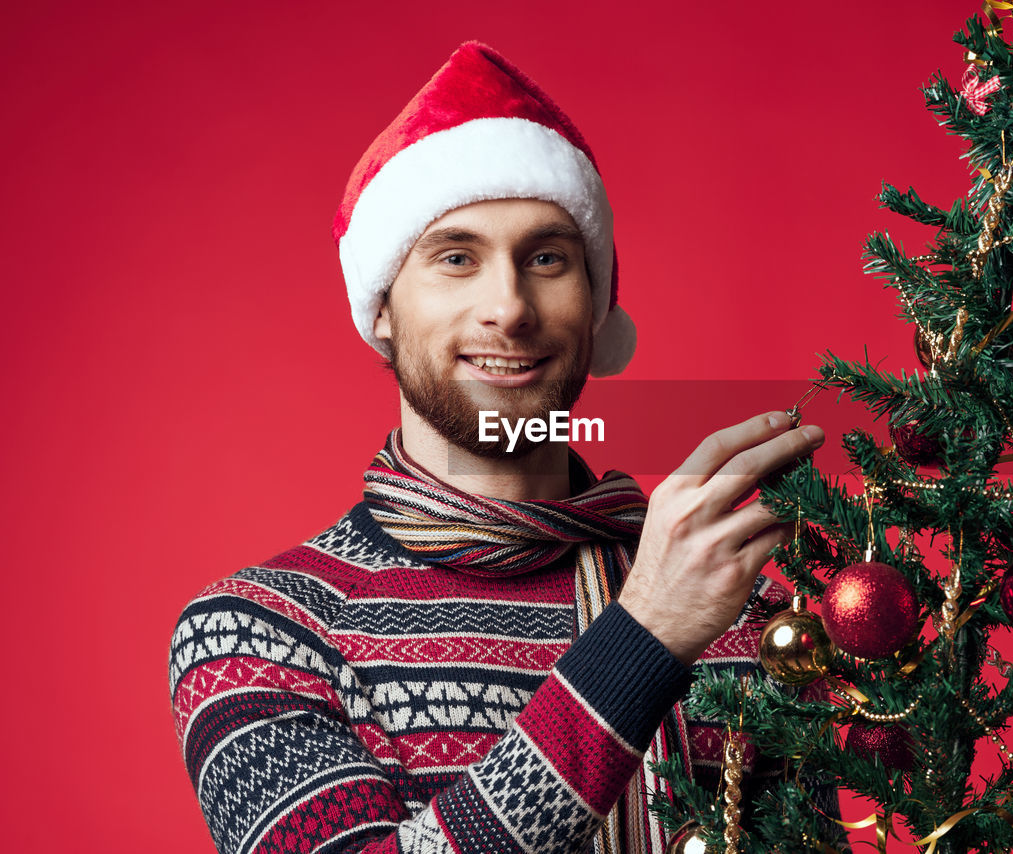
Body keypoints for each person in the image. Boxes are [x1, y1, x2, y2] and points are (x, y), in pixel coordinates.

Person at [169, 42, 824, 854]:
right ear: (381, 309)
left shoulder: (750, 611)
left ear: (596, 305)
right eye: (456, 259)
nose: (509, 308)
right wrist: (645, 635)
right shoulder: (257, 632)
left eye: (547, 259)